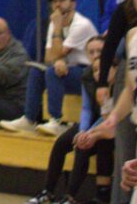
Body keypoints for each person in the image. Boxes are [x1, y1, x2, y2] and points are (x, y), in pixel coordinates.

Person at [0, 0, 98, 136]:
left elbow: (57, 53)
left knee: (53, 72)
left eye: (62, 0)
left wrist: (58, 30)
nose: (58, 4)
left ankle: (56, 120)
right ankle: (29, 119)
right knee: (37, 71)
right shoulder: (54, 23)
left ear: (73, 4)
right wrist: (59, 59)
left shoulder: (81, 24)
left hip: (89, 73)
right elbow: (48, 57)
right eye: (55, 1)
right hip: (67, 70)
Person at [43, 35, 115, 204]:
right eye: (92, 52)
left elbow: (110, 116)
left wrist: (89, 133)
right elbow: (87, 108)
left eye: (100, 51)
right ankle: (47, 192)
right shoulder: (87, 75)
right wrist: (83, 130)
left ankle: (70, 197)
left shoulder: (115, 74)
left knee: (84, 145)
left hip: (109, 124)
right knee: (61, 143)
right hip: (91, 122)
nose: (96, 54)